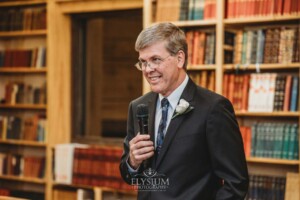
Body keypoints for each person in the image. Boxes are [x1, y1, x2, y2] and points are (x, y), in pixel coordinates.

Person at [119, 22, 249, 200]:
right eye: (143, 62)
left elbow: (236, 183)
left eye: (156, 60)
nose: (148, 70)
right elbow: (129, 176)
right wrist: (132, 162)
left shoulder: (214, 108)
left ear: (180, 58)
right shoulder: (138, 107)